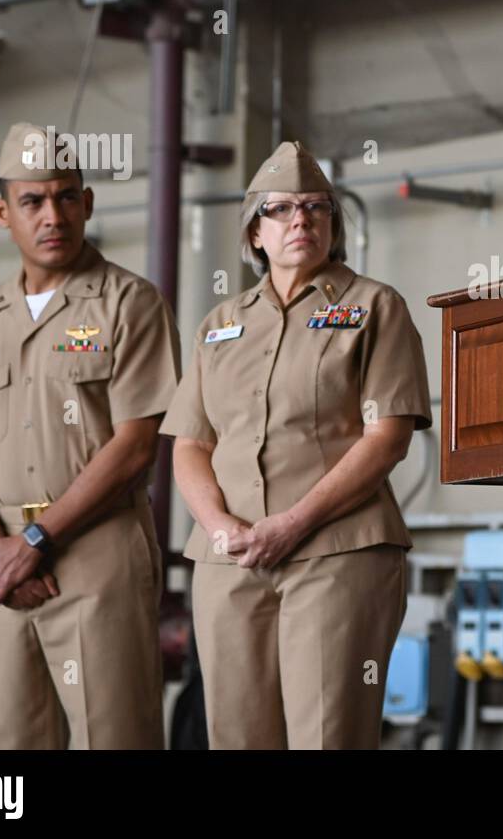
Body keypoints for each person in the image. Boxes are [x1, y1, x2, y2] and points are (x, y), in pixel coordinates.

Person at [161, 141, 432, 749]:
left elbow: (386, 436)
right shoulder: (220, 325)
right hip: (227, 560)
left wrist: (292, 523)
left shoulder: (373, 307)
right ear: (255, 233)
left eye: (315, 207)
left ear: (333, 226)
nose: (300, 220)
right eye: (280, 209)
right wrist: (220, 526)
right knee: (237, 736)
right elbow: (190, 444)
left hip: (336, 553)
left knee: (327, 733)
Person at [0, 121, 180, 748]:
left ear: (87, 203)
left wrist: (38, 539)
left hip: (98, 551)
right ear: (1, 211)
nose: (52, 216)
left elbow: (136, 444)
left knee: (112, 732)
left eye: (67, 197)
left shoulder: (128, 303)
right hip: (4, 561)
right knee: (5, 742)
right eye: (32, 201)